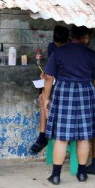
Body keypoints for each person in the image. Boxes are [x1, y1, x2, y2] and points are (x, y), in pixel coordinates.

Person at [43, 26, 95, 184]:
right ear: (86, 37)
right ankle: (82, 173)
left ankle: (56, 176)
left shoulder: (59, 52)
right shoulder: (92, 54)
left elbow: (49, 77)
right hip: (86, 91)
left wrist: (46, 98)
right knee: (84, 137)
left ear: (71, 35)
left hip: (64, 91)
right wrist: (90, 92)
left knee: (61, 138)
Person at [29, 25, 70, 154]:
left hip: (67, 86)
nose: (58, 47)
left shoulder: (72, 50)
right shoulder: (52, 47)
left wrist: (50, 76)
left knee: (45, 100)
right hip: (54, 83)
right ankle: (43, 135)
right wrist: (46, 74)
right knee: (42, 98)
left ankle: (47, 134)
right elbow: (51, 69)